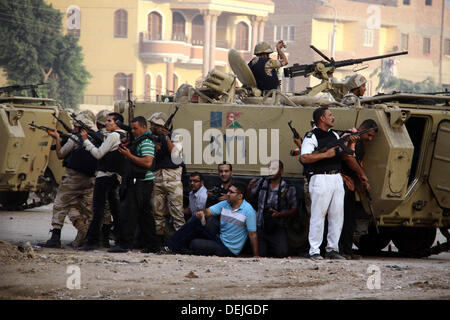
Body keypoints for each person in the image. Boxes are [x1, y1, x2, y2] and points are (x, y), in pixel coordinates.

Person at [300, 106, 356, 260]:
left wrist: (351, 144)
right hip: (320, 177)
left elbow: (346, 155)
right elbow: (304, 157)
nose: (333, 117)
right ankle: (315, 250)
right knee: (318, 216)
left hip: (336, 178)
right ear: (322, 118)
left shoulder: (334, 135)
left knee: (337, 216)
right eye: (330, 115)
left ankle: (332, 249)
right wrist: (325, 155)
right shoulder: (312, 136)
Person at [37, 113, 97, 249]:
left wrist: (57, 139)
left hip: (73, 178)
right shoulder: (96, 138)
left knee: (60, 204)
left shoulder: (75, 138)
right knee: (85, 209)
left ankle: (55, 236)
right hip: (90, 178)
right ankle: (87, 237)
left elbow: (60, 154)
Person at [162, 183, 259, 257]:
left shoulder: (249, 211)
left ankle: (176, 246)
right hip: (219, 239)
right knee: (196, 220)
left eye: (231, 192)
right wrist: (202, 214)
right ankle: (170, 246)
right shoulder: (226, 204)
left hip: (229, 249)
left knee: (195, 243)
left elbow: (252, 235)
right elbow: (208, 212)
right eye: (228, 191)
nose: (228, 194)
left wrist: (256, 255)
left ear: (240, 196)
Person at [108, 116, 160, 253]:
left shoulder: (146, 142)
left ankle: (125, 244)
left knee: (129, 213)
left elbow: (148, 162)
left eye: (136, 128)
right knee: (144, 215)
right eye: (132, 128)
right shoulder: (138, 141)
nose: (133, 131)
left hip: (140, 182)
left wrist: (129, 155)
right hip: (139, 181)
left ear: (144, 127)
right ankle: (151, 245)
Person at [79, 112, 127, 251]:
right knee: (115, 210)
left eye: (109, 121)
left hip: (104, 176)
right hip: (114, 177)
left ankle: (92, 241)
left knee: (98, 210)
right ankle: (121, 241)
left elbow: (99, 154)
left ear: (117, 122)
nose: (106, 123)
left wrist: (86, 140)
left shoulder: (113, 135)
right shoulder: (122, 135)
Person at [339, 119, 378, 260]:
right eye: (369, 135)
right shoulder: (350, 136)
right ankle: (340, 250)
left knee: (349, 218)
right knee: (341, 218)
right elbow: (347, 158)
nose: (370, 139)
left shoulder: (360, 142)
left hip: (350, 183)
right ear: (364, 129)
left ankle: (347, 250)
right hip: (341, 181)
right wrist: (362, 175)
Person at [148, 112, 185, 247]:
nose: (150, 127)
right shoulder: (151, 138)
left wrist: (166, 138)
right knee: (157, 212)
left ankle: (180, 244)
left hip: (172, 178)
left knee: (177, 213)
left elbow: (176, 156)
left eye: (153, 125)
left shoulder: (176, 137)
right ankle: (158, 243)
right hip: (157, 177)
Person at [247, 160, 298, 258]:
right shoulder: (261, 183)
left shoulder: (287, 187)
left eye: (274, 169)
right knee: (260, 254)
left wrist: (279, 215)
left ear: (281, 171)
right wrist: (249, 188)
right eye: (269, 169)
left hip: (277, 226)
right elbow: (249, 199)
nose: (270, 171)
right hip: (261, 225)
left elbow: (295, 209)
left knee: (282, 253)